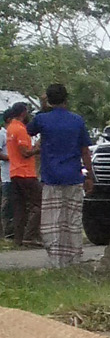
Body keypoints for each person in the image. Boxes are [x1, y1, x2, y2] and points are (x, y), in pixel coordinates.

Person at [29, 84, 92, 266]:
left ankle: (56, 261)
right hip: (73, 176)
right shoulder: (77, 120)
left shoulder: (42, 120)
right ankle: (74, 258)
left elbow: (30, 130)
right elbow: (85, 151)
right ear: (66, 99)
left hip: (51, 178)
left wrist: (43, 107)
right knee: (72, 220)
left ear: (48, 100)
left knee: (52, 222)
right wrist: (89, 176)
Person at [7, 102, 40, 248]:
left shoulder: (10, 129)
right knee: (40, 203)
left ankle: (18, 239)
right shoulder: (20, 129)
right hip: (25, 173)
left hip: (14, 172)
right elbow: (25, 152)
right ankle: (30, 236)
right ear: (23, 113)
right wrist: (37, 148)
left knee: (19, 207)